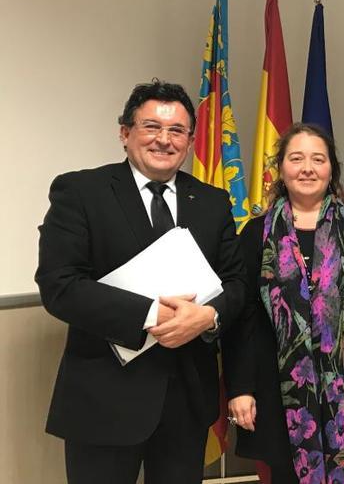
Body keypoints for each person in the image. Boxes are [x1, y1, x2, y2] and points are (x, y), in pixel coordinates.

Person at [34, 79, 246, 484]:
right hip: (103, 400)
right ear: (125, 133)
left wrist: (207, 317)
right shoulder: (80, 191)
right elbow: (59, 284)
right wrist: (151, 314)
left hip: (187, 399)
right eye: (151, 127)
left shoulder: (213, 201)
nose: (163, 140)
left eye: (176, 130)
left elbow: (236, 283)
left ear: (190, 141)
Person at [224, 123, 344, 483]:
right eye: (296, 158)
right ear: (281, 168)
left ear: (331, 168)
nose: (307, 168)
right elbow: (243, 319)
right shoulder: (256, 233)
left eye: (317, 159)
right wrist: (240, 388)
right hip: (276, 389)